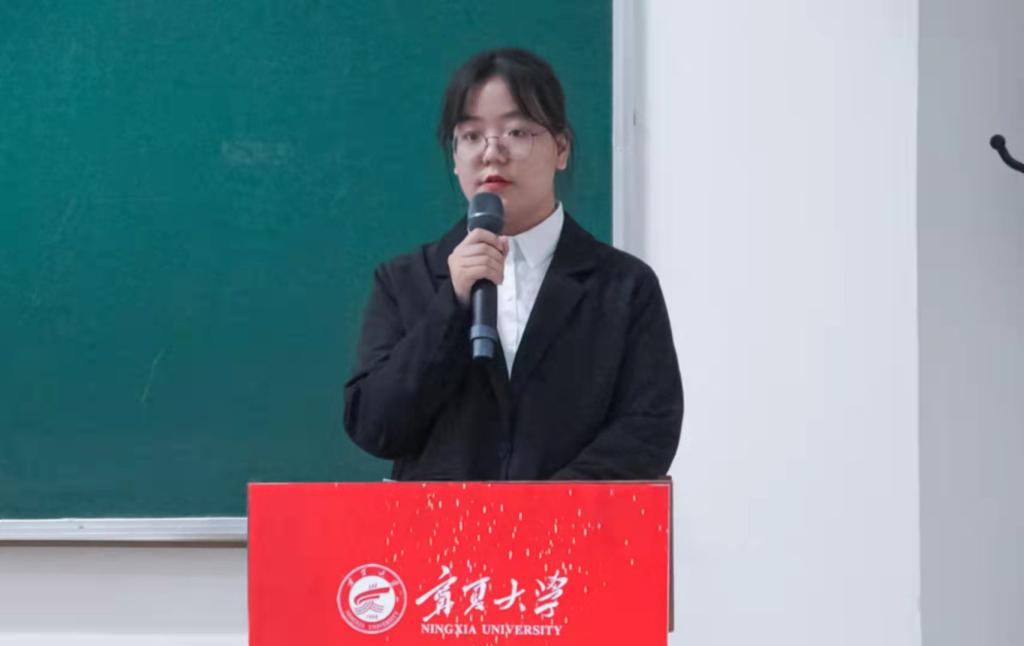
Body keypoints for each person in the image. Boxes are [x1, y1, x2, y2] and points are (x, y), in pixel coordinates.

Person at [343, 48, 682, 481]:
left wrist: (544, 509)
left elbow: (649, 426)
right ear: (455, 157)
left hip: (573, 523)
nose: (492, 153)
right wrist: (451, 304)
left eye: (517, 132)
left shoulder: (623, 285)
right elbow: (375, 427)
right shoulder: (404, 281)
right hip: (437, 525)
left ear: (561, 148)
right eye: (471, 136)